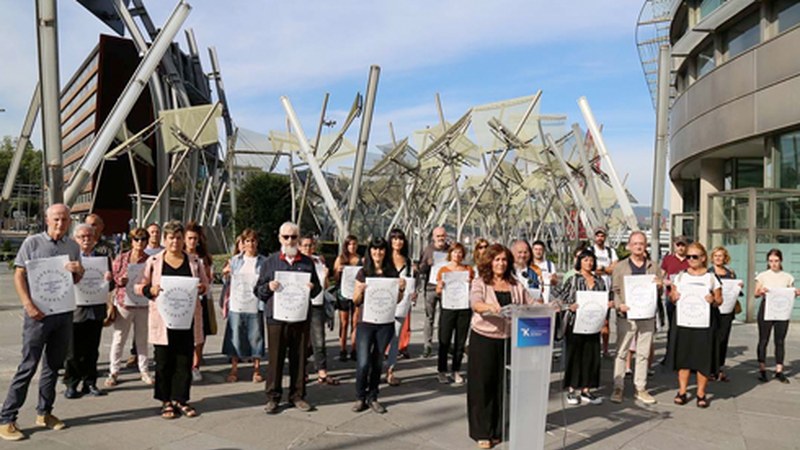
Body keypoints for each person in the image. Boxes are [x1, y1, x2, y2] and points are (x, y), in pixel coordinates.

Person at [0, 204, 84, 441]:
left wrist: (80, 271)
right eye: (56, 219)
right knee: (28, 365)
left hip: (63, 314)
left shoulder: (72, 246)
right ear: (47, 220)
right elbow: (19, 274)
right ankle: (7, 417)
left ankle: (44, 412)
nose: (61, 223)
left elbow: (75, 280)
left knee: (53, 366)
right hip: (38, 315)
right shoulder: (32, 243)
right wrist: (27, 304)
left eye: (65, 219)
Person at [135, 220, 208, 419]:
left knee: (184, 361)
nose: (174, 241)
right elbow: (138, 286)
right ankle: (165, 400)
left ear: (183, 239)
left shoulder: (194, 261)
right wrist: (150, 290)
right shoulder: (154, 261)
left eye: (178, 237)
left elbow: (205, 284)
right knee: (163, 361)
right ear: (164, 240)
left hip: (186, 318)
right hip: (163, 319)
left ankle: (181, 399)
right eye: (170, 238)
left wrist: (201, 288)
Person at [467, 244, 535, 449]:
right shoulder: (481, 282)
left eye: (504, 260)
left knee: (500, 385)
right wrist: (490, 307)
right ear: (489, 261)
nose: (501, 263)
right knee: (482, 385)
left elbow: (531, 303)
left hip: (507, 339)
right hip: (484, 338)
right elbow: (475, 303)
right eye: (496, 259)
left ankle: (496, 430)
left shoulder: (515, 284)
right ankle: (482, 431)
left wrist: (553, 307)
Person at [255, 222, 322, 414]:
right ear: (279, 238)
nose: (290, 241)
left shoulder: (307, 263)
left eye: (294, 237)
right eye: (286, 237)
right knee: (275, 359)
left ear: (298, 239)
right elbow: (258, 291)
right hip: (276, 318)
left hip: (300, 318)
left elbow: (317, 288)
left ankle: (297, 395)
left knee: (299, 357)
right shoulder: (270, 262)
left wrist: (312, 288)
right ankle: (273, 397)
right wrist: (268, 287)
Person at [351, 237, 405, 414]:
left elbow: (396, 300)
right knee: (363, 362)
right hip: (366, 323)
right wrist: (359, 291)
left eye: (381, 249)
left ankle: (373, 396)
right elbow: (356, 301)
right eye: (374, 249)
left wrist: (402, 290)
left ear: (385, 252)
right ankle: (360, 396)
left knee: (377, 361)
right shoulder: (363, 272)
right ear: (370, 251)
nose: (378, 253)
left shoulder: (392, 272)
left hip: (385, 323)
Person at [667, 242, 722, 408]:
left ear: (703, 258)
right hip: (684, 322)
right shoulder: (681, 276)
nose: (690, 259)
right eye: (688, 256)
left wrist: (713, 300)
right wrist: (673, 297)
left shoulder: (711, 277)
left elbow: (720, 300)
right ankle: (682, 391)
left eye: (694, 256)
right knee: (683, 358)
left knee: (702, 359)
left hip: (704, 324)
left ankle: (700, 393)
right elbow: (672, 297)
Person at [610, 231, 661, 405]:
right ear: (629, 246)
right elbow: (615, 290)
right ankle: (618, 387)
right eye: (635, 243)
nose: (639, 246)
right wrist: (619, 305)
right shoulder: (620, 267)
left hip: (647, 315)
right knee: (621, 351)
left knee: (643, 353)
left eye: (642, 243)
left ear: (645, 245)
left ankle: (640, 387)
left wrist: (659, 286)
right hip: (627, 314)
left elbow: (658, 292)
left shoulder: (653, 266)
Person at [554, 250, 612, 406]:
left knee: (591, 356)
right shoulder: (573, 280)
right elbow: (558, 296)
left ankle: (587, 389)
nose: (589, 263)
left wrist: (608, 306)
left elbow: (606, 298)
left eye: (591, 260)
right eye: (585, 260)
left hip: (593, 324)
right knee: (575, 356)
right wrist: (568, 306)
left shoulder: (599, 281)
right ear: (579, 261)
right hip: (575, 324)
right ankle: (572, 389)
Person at [63, 223, 113, 398]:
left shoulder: (103, 258)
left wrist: (109, 279)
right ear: (75, 239)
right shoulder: (68, 260)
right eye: (82, 237)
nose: (86, 240)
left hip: (96, 309)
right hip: (76, 309)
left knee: (93, 349)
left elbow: (110, 285)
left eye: (89, 236)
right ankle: (71, 383)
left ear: (95, 239)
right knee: (73, 351)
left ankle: (90, 383)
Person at [106, 227, 153, 387]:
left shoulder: (150, 260)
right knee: (119, 338)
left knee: (142, 339)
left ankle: (144, 370)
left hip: (142, 303)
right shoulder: (122, 258)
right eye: (136, 239)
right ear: (131, 241)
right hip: (124, 303)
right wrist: (121, 280)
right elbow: (113, 277)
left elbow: (154, 279)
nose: (140, 242)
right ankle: (113, 371)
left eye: (143, 239)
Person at [221, 229, 266, 383]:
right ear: (243, 243)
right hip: (237, 304)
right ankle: (234, 369)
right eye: (247, 241)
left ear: (257, 242)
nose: (250, 244)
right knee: (235, 337)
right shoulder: (235, 261)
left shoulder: (263, 261)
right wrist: (225, 274)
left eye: (253, 241)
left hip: (255, 305)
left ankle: (257, 369)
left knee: (256, 337)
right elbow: (226, 281)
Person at [754, 249, 800, 383]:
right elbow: (756, 293)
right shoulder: (763, 276)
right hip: (766, 308)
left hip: (781, 310)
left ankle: (779, 370)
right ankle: (762, 368)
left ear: (781, 261)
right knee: (763, 339)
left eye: (776, 261)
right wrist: (761, 291)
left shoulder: (787, 277)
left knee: (780, 340)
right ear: (768, 262)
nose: (773, 264)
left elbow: (790, 291)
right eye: (771, 261)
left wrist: (795, 292)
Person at [298, 235, 339, 386]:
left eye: (310, 245)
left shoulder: (319, 261)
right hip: (301, 304)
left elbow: (326, 286)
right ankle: (302, 371)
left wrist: (327, 276)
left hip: (317, 303)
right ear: (299, 247)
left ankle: (322, 372)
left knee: (319, 339)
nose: (308, 248)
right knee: (303, 341)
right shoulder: (297, 262)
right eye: (305, 245)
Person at [435, 243, 474, 385]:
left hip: (464, 308)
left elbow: (474, 289)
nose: (457, 255)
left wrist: (470, 283)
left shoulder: (468, 270)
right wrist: (440, 287)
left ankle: (456, 370)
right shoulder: (443, 270)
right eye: (454, 252)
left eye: (460, 252)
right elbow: (438, 291)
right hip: (448, 308)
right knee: (444, 340)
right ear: (450, 254)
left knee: (460, 341)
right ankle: (442, 370)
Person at [184, 222, 216, 382]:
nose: (192, 241)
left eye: (195, 238)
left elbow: (209, 279)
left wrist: (204, 282)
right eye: (189, 238)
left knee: (200, 335)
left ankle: (195, 365)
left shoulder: (203, 258)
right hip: (183, 300)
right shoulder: (178, 256)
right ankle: (185, 364)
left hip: (201, 299)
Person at [385, 228, 416, 386]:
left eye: (401, 239)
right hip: (384, 303)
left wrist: (413, 293)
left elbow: (411, 282)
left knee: (395, 336)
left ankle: (390, 371)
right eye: (395, 238)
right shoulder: (384, 258)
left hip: (402, 304)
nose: (398, 242)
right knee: (381, 337)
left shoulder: (408, 261)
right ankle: (376, 368)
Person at [710, 246, 741, 382]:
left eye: (720, 256)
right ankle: (711, 369)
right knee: (712, 339)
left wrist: (739, 287)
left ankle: (720, 368)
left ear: (725, 258)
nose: (718, 258)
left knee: (723, 339)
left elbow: (735, 292)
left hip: (727, 311)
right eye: (716, 255)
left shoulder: (730, 273)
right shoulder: (708, 273)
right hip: (713, 310)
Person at [419, 226, 450, 357]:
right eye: (438, 236)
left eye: (442, 236)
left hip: (446, 288)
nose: (441, 238)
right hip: (430, 288)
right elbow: (420, 269)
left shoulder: (450, 250)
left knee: (445, 318)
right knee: (429, 318)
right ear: (433, 237)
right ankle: (427, 345)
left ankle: (444, 345)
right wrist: (427, 263)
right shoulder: (428, 250)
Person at [588, 228, 617, 358]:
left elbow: (614, 268)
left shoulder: (610, 252)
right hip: (593, 289)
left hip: (607, 289)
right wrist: (606, 269)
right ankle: (592, 347)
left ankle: (605, 349)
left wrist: (603, 269)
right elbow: (591, 268)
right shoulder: (590, 251)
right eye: (598, 235)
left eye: (602, 235)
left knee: (605, 321)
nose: (600, 238)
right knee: (592, 319)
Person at [660, 235, 689, 363]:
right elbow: (661, 276)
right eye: (678, 245)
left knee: (685, 329)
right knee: (672, 327)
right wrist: (665, 281)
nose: (681, 247)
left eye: (683, 245)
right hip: (671, 297)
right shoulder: (668, 259)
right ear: (674, 246)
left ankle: (684, 357)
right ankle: (669, 356)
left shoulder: (690, 260)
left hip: (687, 298)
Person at [334, 235, 361, 361]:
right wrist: (338, 271)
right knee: (344, 323)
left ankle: (354, 348)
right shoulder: (341, 259)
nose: (352, 246)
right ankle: (342, 348)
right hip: (343, 293)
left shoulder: (360, 260)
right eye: (350, 244)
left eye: (354, 244)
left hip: (356, 293)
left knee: (355, 322)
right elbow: (334, 278)